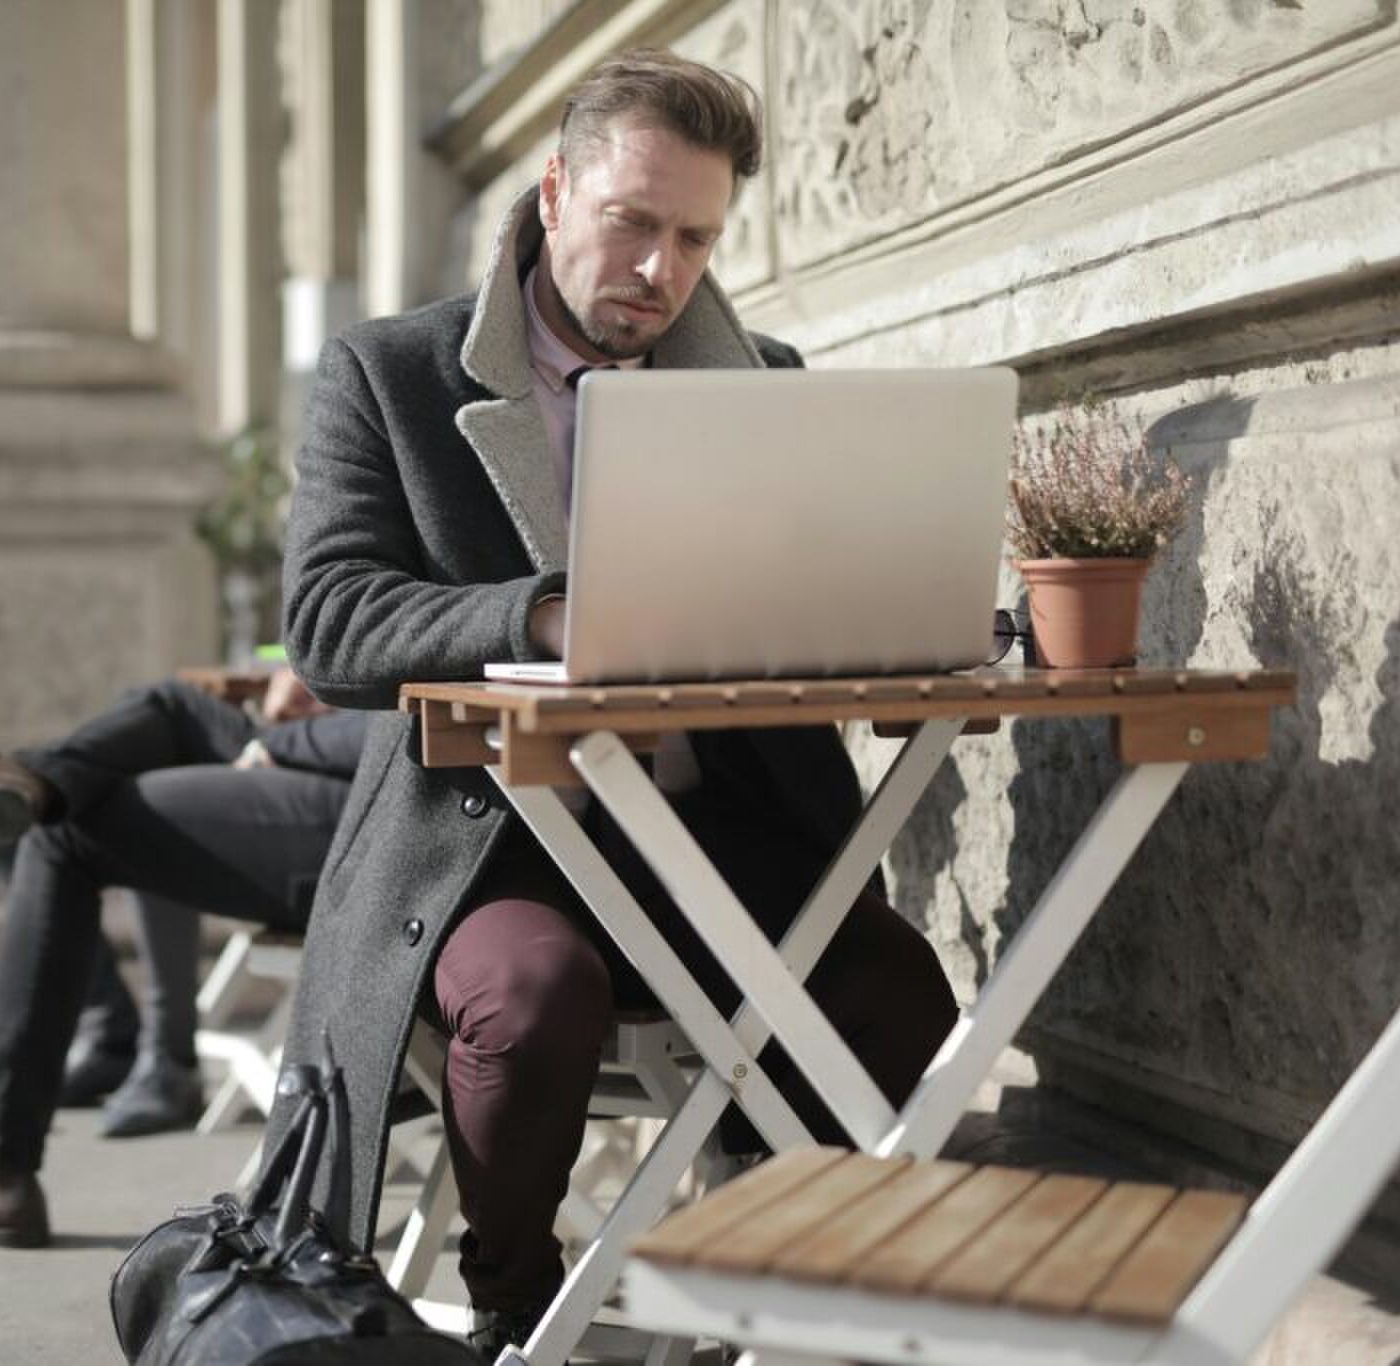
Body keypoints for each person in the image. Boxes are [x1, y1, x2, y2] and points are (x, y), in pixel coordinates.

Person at [272, 49, 961, 1358]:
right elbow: (335, 616)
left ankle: (761, 1281)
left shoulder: (767, 376)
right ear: (552, 192)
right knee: (532, 1001)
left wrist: (895, 611)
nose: (660, 269)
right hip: (494, 840)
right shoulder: (391, 374)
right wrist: (537, 615)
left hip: (712, 830)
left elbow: (806, 591)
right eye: (631, 223)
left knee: (895, 987)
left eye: (695, 237)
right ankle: (518, 1305)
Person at [0, 669, 368, 1247]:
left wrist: (281, 744)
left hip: (385, 818)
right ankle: (21, 780)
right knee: (171, 703)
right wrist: (313, 686)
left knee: (62, 832)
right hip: (357, 755)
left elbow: (433, 701)